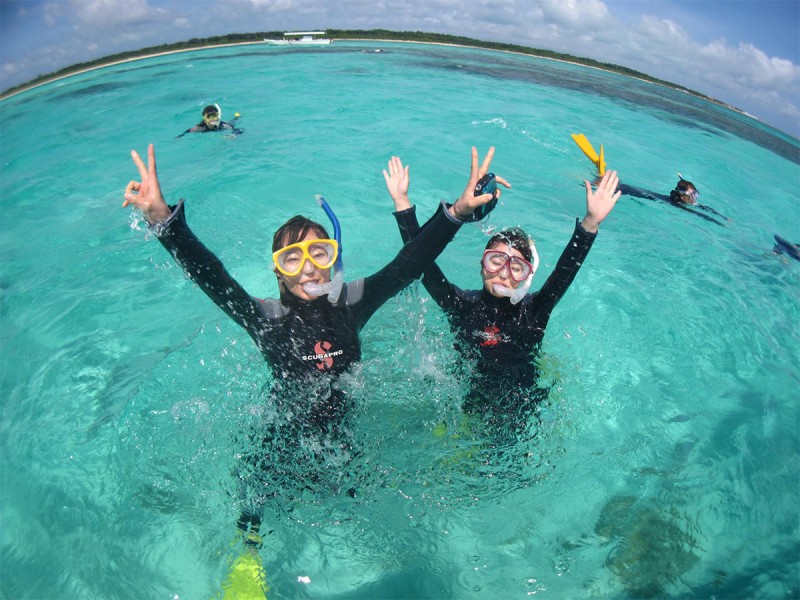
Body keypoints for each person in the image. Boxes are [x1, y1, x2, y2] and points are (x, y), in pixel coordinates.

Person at [122, 143, 504, 584]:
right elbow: (213, 277)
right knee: (254, 494)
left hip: (341, 442)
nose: (307, 268)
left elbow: (409, 264)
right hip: (281, 439)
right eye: (292, 259)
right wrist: (163, 222)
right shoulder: (266, 319)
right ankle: (248, 556)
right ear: (278, 272)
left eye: (317, 253)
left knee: (360, 496)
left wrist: (456, 212)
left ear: (332, 257)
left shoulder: (351, 305)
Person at [384, 155, 621, 426]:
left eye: (516, 267)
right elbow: (420, 262)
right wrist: (403, 204)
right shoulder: (461, 303)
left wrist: (591, 222)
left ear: (526, 276)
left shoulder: (534, 311)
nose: (503, 273)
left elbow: (564, 272)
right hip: (465, 403)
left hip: (518, 410)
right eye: (496, 261)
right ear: (482, 264)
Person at [178, 103, 243, 137]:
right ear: (204, 119)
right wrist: (179, 137)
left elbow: (240, 130)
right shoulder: (199, 128)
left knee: (232, 122)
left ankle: (237, 117)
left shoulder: (224, 126)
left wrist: (233, 135)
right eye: (208, 116)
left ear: (218, 116)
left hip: (227, 124)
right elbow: (185, 133)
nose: (212, 119)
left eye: (214, 116)